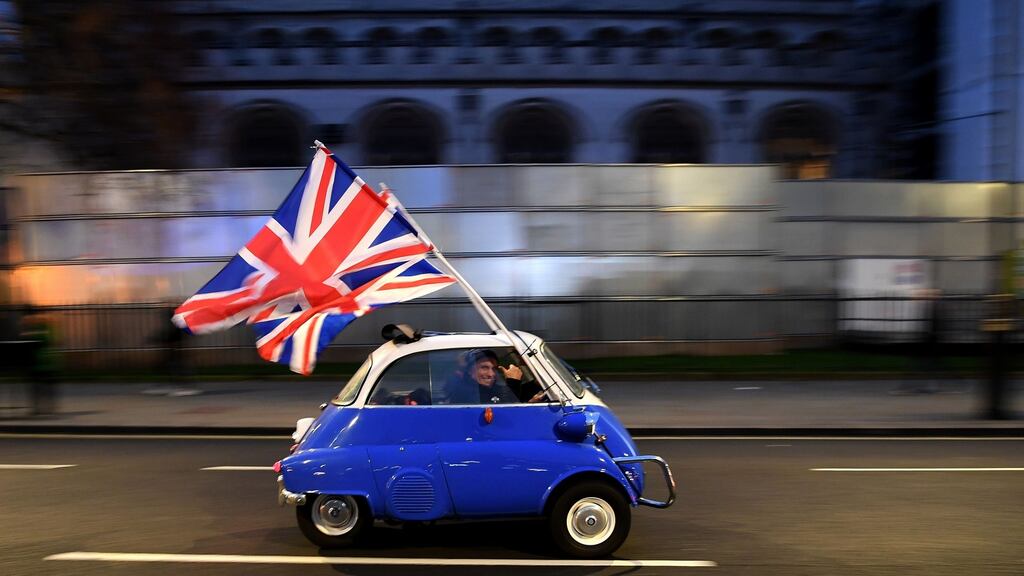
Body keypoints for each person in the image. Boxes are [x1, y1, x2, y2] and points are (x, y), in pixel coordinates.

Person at [447, 349, 543, 405]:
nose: (491, 374)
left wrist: (535, 384)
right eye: (484, 367)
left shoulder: (489, 389)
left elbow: (503, 393)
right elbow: (505, 413)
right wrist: (513, 381)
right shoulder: (464, 392)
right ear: (469, 371)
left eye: (494, 369)